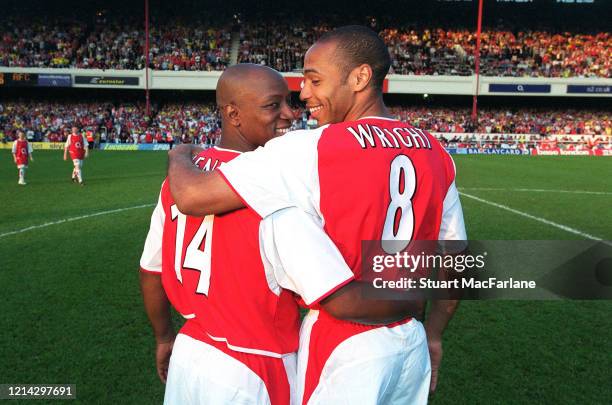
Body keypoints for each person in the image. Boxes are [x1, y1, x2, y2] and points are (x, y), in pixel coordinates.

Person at [167, 26, 467, 404]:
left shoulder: (311, 148)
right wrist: (434, 335)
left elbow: (192, 196)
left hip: (343, 345)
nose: (304, 93)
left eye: (314, 79)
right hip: (411, 343)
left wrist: (179, 154)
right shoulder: (437, 153)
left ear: (359, 78)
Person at [140, 64, 416, 405]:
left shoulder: (180, 181)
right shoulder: (277, 189)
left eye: (288, 101)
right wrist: (416, 294)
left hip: (191, 352)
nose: (289, 113)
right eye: (274, 105)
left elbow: (151, 272)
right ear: (233, 114)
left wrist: (164, 337)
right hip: (255, 365)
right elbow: (340, 299)